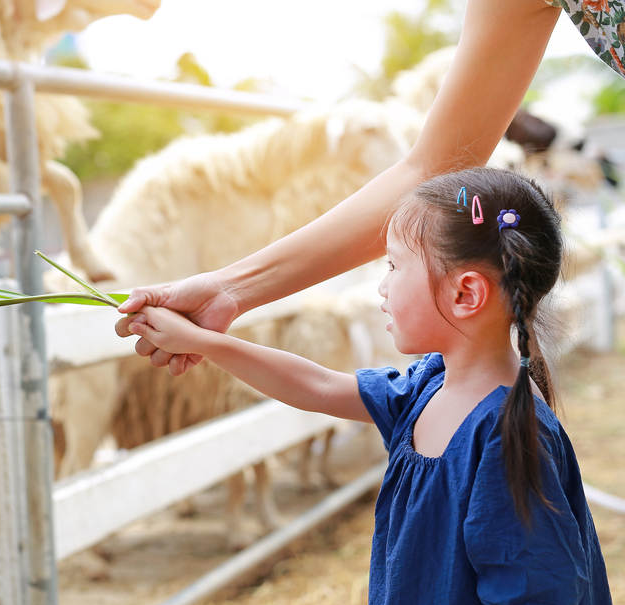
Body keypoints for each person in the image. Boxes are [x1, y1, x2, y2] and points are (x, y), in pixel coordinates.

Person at [126, 167, 615, 605]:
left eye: (394, 266)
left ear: (466, 294)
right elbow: (318, 386)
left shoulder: (506, 436)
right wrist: (203, 342)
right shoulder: (431, 385)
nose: (381, 288)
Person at [114, 0, 620, 376]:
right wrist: (229, 290)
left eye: (395, 268)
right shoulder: (428, 396)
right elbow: (430, 171)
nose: (381, 286)